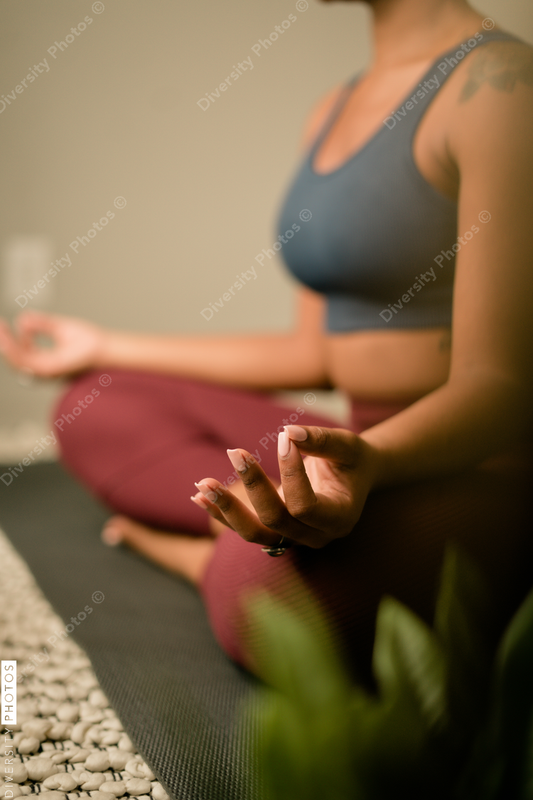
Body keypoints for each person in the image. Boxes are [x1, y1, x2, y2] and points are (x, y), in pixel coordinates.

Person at [1, 0, 533, 683]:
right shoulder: (333, 110)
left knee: (260, 598)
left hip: (475, 473)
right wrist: (102, 345)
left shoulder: (501, 88)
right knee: (96, 403)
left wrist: (368, 461)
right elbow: (312, 352)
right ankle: (259, 527)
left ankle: (203, 557)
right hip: (351, 447)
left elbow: (502, 388)